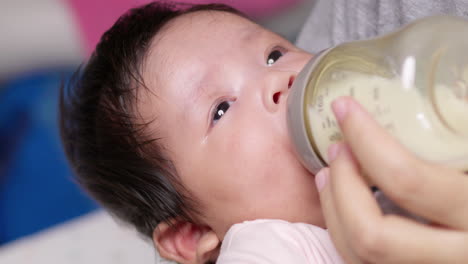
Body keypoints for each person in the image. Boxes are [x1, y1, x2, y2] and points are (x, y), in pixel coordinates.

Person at [59, 2, 343, 263]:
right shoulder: (267, 248)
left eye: (274, 55)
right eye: (220, 110)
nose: (277, 79)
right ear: (193, 232)